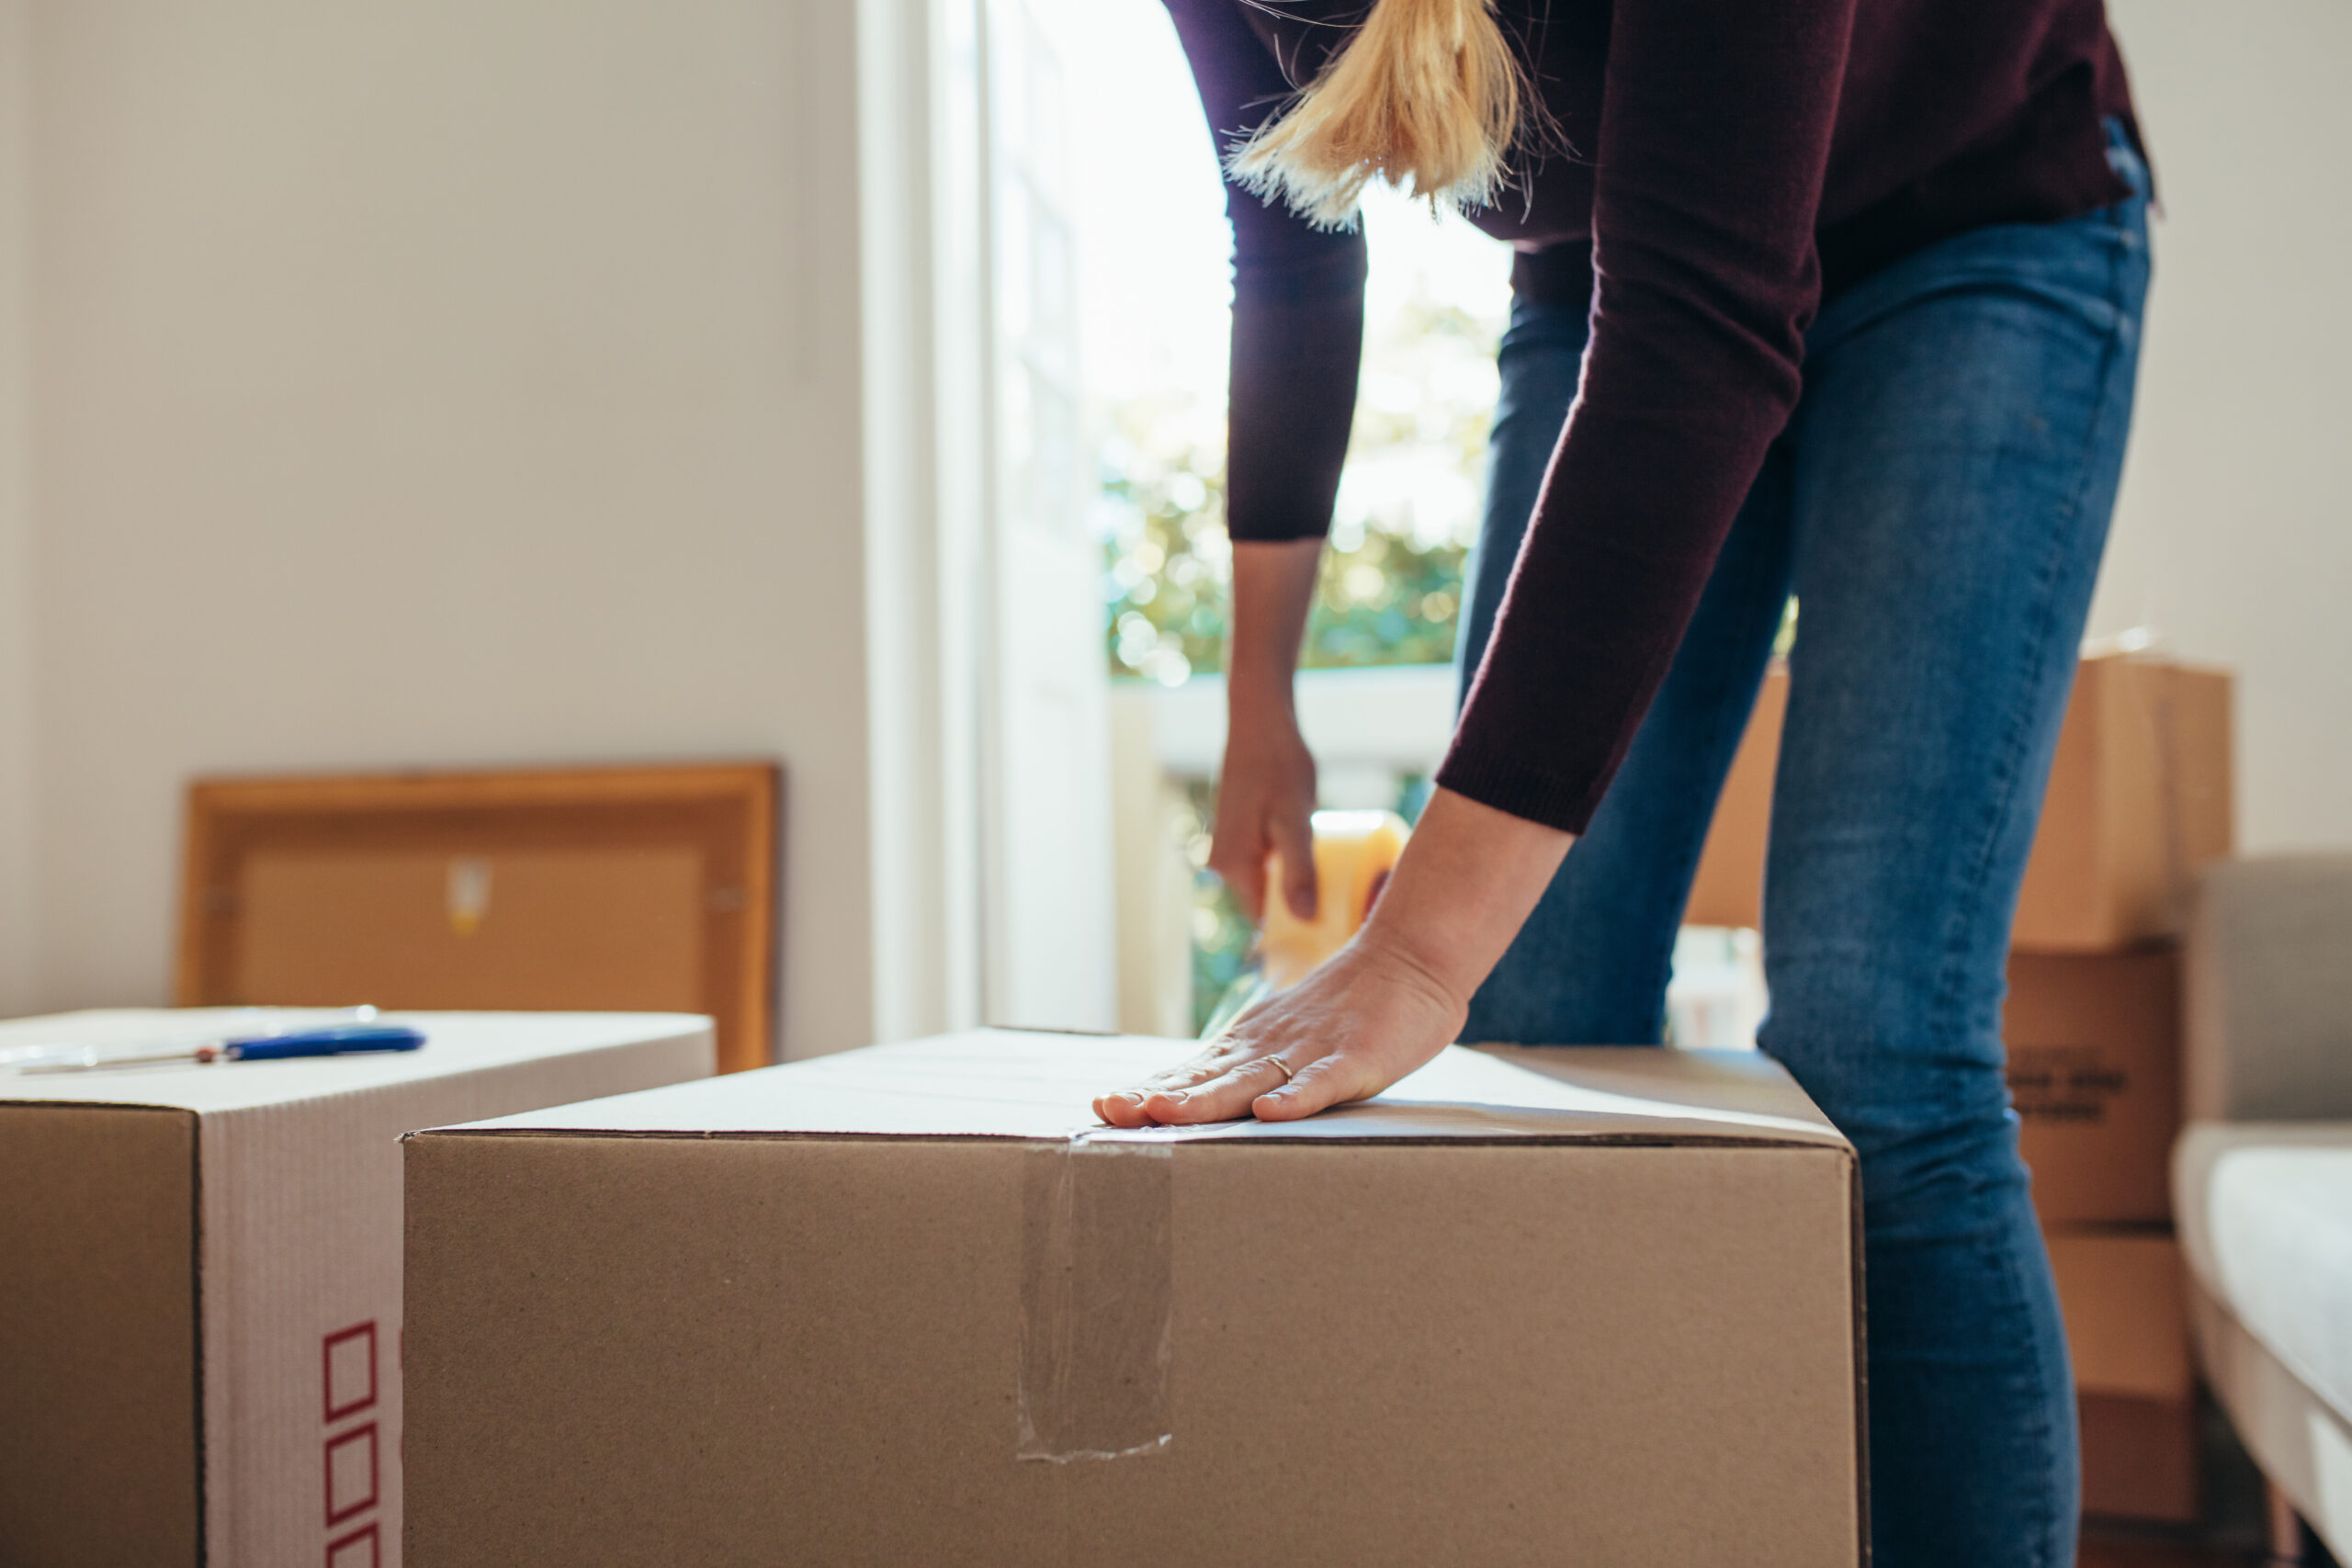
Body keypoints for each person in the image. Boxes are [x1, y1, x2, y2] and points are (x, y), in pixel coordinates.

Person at [1094, 0, 2154, 1562]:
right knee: (1541, 1014)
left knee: (1879, 1042)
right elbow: (1294, 243)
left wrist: (1414, 948)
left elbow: (1707, 333)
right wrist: (1262, 698)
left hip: (1974, 232)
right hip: (1614, 278)